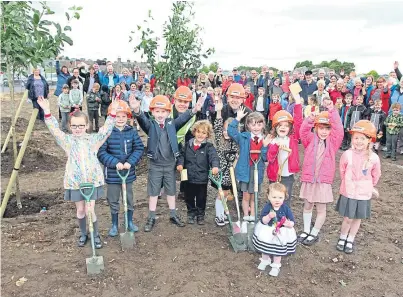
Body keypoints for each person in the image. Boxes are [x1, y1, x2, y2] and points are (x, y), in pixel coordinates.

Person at [37, 97, 119, 248]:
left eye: (81, 125)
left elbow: (107, 130)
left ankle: (95, 235)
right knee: (80, 210)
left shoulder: (93, 140)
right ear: (70, 126)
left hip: (91, 181)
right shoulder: (67, 141)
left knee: (90, 209)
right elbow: (54, 131)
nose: (78, 128)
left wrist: (113, 112)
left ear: (87, 125)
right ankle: (83, 233)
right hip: (75, 182)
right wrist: (47, 112)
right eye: (74, 126)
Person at [129, 95, 203, 232]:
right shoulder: (150, 125)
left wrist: (194, 110)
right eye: (157, 111)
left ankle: (173, 215)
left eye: (163, 111)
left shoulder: (172, 124)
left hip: (170, 164)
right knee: (153, 192)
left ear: (168, 112)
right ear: (152, 112)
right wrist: (137, 110)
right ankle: (151, 217)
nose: (160, 114)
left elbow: (183, 118)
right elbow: (142, 119)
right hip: (155, 165)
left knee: (171, 191)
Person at [298, 102, 344, 246]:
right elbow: (303, 132)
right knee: (307, 205)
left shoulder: (333, 142)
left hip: (323, 181)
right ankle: (306, 230)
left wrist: (332, 111)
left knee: (321, 208)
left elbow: (340, 130)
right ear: (316, 128)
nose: (324, 131)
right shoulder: (310, 139)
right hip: (309, 179)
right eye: (321, 128)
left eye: (327, 128)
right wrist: (310, 119)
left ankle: (314, 232)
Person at [98, 101, 144, 236]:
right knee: (113, 199)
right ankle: (114, 224)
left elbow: (139, 148)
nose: (120, 119)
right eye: (117, 116)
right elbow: (101, 152)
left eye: (124, 116)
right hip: (112, 174)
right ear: (111, 117)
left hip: (127, 173)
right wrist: (115, 163)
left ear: (128, 117)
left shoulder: (132, 132)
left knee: (128, 198)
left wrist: (130, 162)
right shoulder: (106, 133)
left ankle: (129, 221)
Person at [335, 120, 381, 254]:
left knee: (357, 218)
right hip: (349, 192)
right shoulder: (347, 154)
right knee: (347, 218)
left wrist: (368, 186)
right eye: (356, 138)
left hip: (363, 193)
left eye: (362, 138)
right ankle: (342, 237)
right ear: (352, 139)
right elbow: (342, 171)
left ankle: (350, 239)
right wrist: (348, 183)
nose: (359, 141)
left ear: (369, 140)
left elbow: (376, 174)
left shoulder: (373, 158)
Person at [228, 108, 271, 229]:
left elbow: (265, 157)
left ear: (263, 124)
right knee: (246, 195)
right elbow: (231, 131)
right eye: (253, 124)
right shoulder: (243, 137)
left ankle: (253, 217)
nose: (256, 127)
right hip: (245, 170)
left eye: (259, 124)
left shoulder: (265, 139)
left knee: (254, 195)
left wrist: (265, 146)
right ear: (248, 125)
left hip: (257, 170)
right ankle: (246, 217)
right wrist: (237, 118)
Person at [177, 120, 220, 225]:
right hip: (188, 176)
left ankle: (200, 214)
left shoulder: (208, 147)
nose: (200, 135)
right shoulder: (188, 145)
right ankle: (191, 212)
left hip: (202, 177)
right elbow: (182, 155)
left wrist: (215, 166)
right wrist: (180, 164)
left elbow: (213, 157)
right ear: (194, 132)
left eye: (204, 133)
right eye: (199, 132)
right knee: (189, 196)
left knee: (201, 197)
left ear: (207, 135)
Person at [252, 183, 297, 277]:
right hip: (268, 231)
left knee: (278, 250)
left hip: (281, 232)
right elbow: (263, 221)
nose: (277, 200)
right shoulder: (267, 207)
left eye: (280, 197)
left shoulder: (285, 208)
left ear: (285, 197)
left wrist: (288, 224)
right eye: (274, 197)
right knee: (265, 247)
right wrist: (268, 216)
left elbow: (292, 221)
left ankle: (276, 265)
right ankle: (265, 260)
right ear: (268, 196)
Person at [266, 92, 303, 205]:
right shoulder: (273, 140)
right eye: (280, 125)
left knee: (285, 198)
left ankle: (284, 218)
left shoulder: (292, 138)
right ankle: (273, 217)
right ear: (275, 127)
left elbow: (298, 121)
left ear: (290, 128)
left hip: (287, 175)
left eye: (286, 126)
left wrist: (297, 103)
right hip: (275, 174)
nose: (283, 127)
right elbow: (269, 158)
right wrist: (276, 147)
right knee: (273, 197)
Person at [213, 100, 239, 226]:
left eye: (229, 130)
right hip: (221, 174)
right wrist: (218, 111)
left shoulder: (235, 142)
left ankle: (224, 213)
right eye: (224, 129)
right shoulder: (220, 139)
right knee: (221, 194)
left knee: (227, 194)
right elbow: (217, 126)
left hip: (231, 174)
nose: (225, 132)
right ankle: (219, 215)